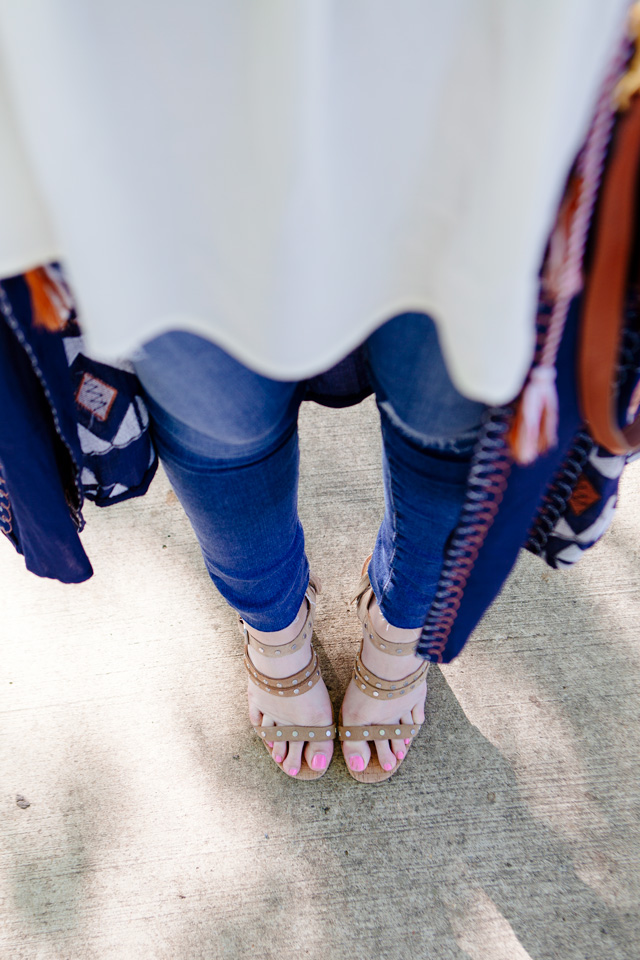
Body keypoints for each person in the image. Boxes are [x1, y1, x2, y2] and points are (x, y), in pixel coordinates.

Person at [0, 2, 629, 781]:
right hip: (156, 78)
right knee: (217, 428)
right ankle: (274, 624)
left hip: (472, 68)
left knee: (454, 414)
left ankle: (398, 623)